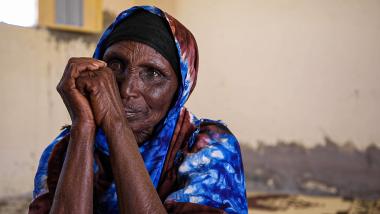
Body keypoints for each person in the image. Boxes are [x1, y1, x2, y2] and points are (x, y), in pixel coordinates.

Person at [29, 6, 247, 214]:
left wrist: (116, 124)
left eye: (152, 73)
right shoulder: (66, 147)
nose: (126, 90)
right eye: (115, 65)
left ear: (179, 91)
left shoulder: (207, 147)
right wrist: (83, 127)